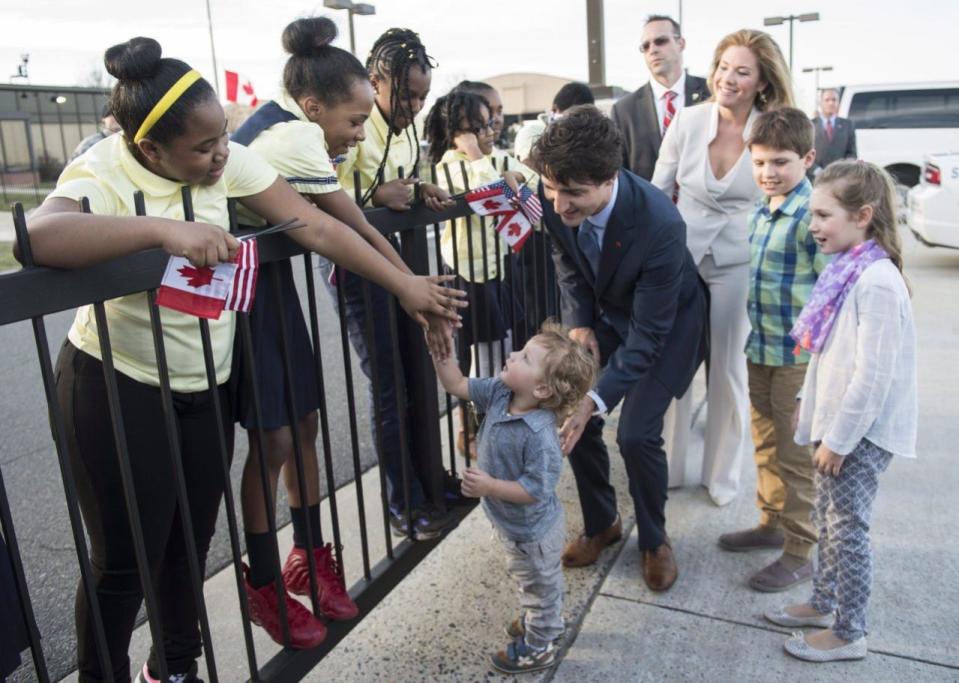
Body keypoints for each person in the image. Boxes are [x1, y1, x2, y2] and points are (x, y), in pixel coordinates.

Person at [22, 36, 462, 683]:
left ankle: (173, 668)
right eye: (202, 148)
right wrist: (163, 231)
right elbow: (40, 235)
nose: (220, 155)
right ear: (149, 150)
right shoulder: (104, 168)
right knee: (125, 560)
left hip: (205, 378)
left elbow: (318, 226)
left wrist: (404, 286)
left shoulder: (228, 161)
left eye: (221, 138)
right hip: (116, 385)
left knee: (188, 545)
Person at [229, 16, 460, 648]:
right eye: (355, 122)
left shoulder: (294, 129)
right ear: (312, 107)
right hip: (232, 296)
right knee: (274, 437)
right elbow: (337, 229)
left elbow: (353, 222)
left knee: (301, 426)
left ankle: (307, 555)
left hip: (262, 288)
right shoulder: (291, 136)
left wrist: (412, 285)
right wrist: (410, 286)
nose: (360, 135)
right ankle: (265, 579)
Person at [533, 105, 707, 592]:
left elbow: (649, 334)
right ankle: (602, 522)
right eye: (551, 189)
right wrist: (580, 325)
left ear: (608, 178)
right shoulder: (555, 194)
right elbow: (567, 263)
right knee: (570, 411)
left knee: (634, 434)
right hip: (608, 314)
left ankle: (654, 538)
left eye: (574, 194)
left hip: (667, 326)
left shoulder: (660, 222)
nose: (560, 205)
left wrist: (597, 398)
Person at [765, 160, 916, 662]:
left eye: (823, 215)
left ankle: (850, 632)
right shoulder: (848, 270)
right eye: (812, 215)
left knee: (848, 529)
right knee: (828, 521)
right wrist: (809, 406)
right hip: (835, 426)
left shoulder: (876, 281)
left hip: (859, 435)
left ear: (863, 215)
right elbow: (829, 350)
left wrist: (840, 439)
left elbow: (873, 377)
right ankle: (823, 602)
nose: (813, 226)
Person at [652, 28, 795, 506]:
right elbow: (658, 191)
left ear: (760, 82)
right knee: (673, 364)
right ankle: (669, 468)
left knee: (730, 371)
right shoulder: (689, 121)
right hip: (682, 258)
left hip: (739, 261)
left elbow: (791, 194)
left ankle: (721, 477)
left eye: (741, 71)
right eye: (723, 68)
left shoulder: (770, 131)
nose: (727, 79)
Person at [332, 26, 461, 541]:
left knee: (416, 373)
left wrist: (417, 185)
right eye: (407, 93)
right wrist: (372, 193)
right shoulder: (355, 122)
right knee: (388, 384)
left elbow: (399, 181)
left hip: (397, 261)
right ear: (375, 80)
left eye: (422, 95)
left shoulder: (405, 128)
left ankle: (430, 479)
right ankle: (402, 502)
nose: (414, 105)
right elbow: (325, 191)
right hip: (358, 267)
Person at [432, 321, 597, 674]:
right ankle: (544, 617)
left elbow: (534, 491)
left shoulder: (540, 437)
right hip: (516, 528)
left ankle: (541, 644)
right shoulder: (499, 393)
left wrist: (489, 486)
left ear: (540, 388)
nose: (511, 354)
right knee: (537, 583)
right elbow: (456, 383)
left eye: (524, 357)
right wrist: (441, 349)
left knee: (538, 584)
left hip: (532, 534)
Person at [718, 108, 827, 592]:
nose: (768, 173)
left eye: (780, 162)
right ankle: (771, 522)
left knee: (796, 454)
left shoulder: (812, 217)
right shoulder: (761, 212)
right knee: (764, 443)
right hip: (759, 348)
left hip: (797, 361)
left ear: (807, 158)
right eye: (759, 162)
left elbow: (832, 292)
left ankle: (801, 549)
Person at [425, 90, 538, 453]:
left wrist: (515, 171)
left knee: (498, 349)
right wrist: (475, 154)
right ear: (458, 133)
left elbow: (531, 177)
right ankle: (480, 429)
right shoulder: (449, 163)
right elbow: (489, 193)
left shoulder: (493, 156)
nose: (491, 132)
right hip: (465, 272)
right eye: (479, 127)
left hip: (494, 269)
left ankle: (489, 425)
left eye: (490, 123)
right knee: (479, 357)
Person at [611, 15, 710, 181]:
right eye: (645, 46)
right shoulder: (624, 111)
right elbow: (621, 174)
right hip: (647, 205)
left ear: (681, 44)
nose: (653, 49)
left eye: (661, 41)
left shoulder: (711, 94)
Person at [513, 82, 595, 165]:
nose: (579, 123)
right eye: (575, 116)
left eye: (585, 118)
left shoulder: (587, 136)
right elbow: (529, 168)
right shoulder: (531, 132)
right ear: (555, 110)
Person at [809, 88, 857, 178]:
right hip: (815, 178)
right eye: (827, 100)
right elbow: (804, 152)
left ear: (838, 103)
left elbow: (852, 153)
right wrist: (816, 170)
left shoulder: (848, 125)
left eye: (834, 100)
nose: (831, 103)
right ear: (820, 103)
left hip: (840, 177)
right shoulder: (810, 125)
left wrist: (843, 169)